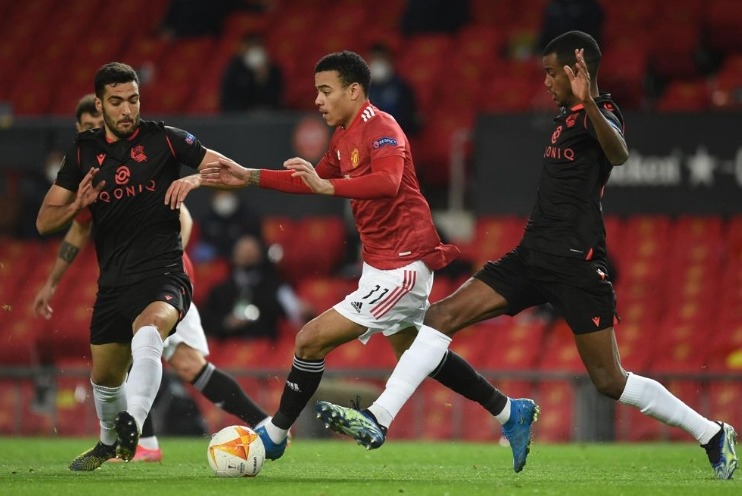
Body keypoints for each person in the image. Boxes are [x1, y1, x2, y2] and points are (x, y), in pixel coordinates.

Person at [316, 31, 739, 480]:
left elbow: (619, 153)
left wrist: (589, 102)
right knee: (440, 317)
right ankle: (379, 418)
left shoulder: (602, 113)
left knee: (609, 380)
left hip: (576, 264)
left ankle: (712, 433)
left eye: (553, 73)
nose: (546, 82)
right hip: (532, 255)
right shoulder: (564, 117)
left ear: (578, 72)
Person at [200, 50, 539, 472]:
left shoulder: (383, 127)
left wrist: (329, 187)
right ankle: (509, 411)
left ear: (354, 90)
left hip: (404, 265)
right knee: (421, 353)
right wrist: (249, 175)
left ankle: (275, 433)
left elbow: (388, 181)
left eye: (326, 91)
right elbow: (311, 181)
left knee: (310, 339)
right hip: (379, 265)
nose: (318, 100)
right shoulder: (343, 136)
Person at [35, 62, 244, 471]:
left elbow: (233, 172)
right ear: (100, 104)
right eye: (116, 101)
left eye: (133, 99)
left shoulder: (165, 139)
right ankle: (107, 442)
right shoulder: (82, 153)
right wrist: (77, 204)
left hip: (165, 274)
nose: (127, 109)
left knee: (150, 331)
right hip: (114, 283)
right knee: (105, 379)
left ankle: (134, 420)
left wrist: (195, 180)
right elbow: (44, 222)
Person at [33, 201, 270, 462]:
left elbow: (183, 216)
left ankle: (146, 442)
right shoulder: (96, 189)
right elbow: (77, 230)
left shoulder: (143, 178)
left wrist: (169, 261)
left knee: (153, 353)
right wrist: (52, 282)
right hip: (127, 281)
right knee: (183, 364)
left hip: (164, 279)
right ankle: (263, 425)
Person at [201, 233, 310, 340]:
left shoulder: (276, 287)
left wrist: (304, 311)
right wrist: (228, 323)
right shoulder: (220, 291)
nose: (247, 255)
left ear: (260, 255)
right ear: (234, 256)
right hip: (229, 345)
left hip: (265, 344)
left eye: (251, 251)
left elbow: (295, 313)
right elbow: (206, 323)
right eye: (243, 251)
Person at [219, 32, 284, 112]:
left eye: (258, 46)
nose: (254, 51)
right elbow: (227, 101)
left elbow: (275, 100)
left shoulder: (273, 70)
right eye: (251, 46)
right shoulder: (234, 69)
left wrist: (263, 80)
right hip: (240, 116)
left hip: (266, 116)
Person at [367, 42, 420, 137]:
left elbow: (410, 121)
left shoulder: (401, 87)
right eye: (375, 59)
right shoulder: (364, 89)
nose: (378, 64)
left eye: (381, 59)